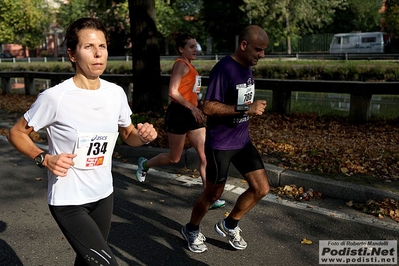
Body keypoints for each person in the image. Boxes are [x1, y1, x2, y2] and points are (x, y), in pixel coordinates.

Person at [7, 17, 157, 265]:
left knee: (88, 260)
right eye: (89, 47)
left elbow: (129, 135)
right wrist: (44, 158)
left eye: (103, 46)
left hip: (103, 194)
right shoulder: (55, 97)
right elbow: (16, 133)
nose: (98, 54)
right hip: (68, 200)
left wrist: (142, 136)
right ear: (72, 54)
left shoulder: (115, 93)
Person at [180, 25, 271, 253]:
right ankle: (191, 228)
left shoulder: (247, 66)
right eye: (259, 50)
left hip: (242, 141)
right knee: (213, 194)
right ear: (244, 45)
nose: (262, 55)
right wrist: (245, 109)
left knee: (261, 188)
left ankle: (229, 224)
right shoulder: (225, 68)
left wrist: (245, 110)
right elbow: (208, 106)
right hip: (220, 144)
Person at [135, 33, 225, 210]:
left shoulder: (193, 69)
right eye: (191, 46)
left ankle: (209, 196)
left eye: (196, 46)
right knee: (174, 158)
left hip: (193, 115)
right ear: (181, 49)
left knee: (204, 155)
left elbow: (192, 93)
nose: (195, 50)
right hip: (178, 115)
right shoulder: (180, 65)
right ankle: (144, 164)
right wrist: (191, 107)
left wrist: (199, 106)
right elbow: (173, 92)